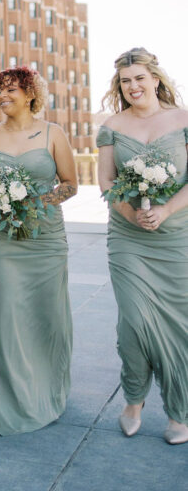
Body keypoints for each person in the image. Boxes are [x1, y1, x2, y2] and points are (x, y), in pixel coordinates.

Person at [0, 67, 76, 435]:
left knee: (47, 316)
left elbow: (70, 184)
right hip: (0, 239)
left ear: (31, 93)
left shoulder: (53, 133)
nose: (1, 97)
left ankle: (48, 386)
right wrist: (0, 201)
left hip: (45, 238)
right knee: (5, 317)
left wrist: (33, 202)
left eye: (10, 90)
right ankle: (12, 398)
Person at [97, 47, 188, 445]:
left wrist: (166, 209)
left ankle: (179, 410)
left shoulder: (183, 120)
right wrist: (131, 213)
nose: (132, 86)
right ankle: (133, 398)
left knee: (179, 327)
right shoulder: (112, 125)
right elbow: (105, 182)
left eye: (139, 78)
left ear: (155, 78)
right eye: (124, 80)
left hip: (177, 236)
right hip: (129, 236)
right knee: (133, 322)